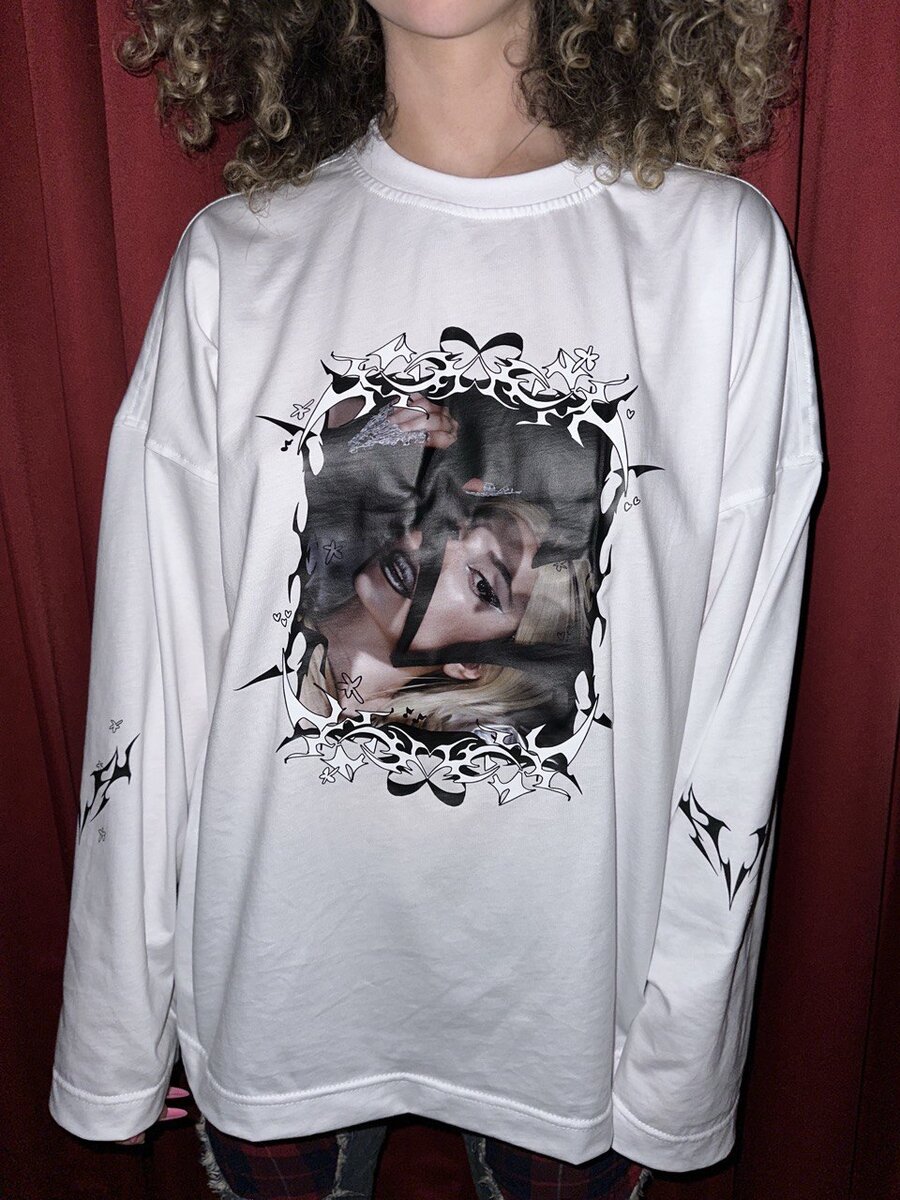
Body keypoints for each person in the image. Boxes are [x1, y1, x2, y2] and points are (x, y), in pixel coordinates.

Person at [48, 2, 824, 1199]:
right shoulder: (236, 259)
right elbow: (147, 680)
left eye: (455, 569)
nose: (436, 532)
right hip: (274, 994)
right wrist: (115, 1029)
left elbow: (739, 701)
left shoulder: (716, 256)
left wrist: (682, 1058)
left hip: (579, 1020)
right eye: (429, 551)